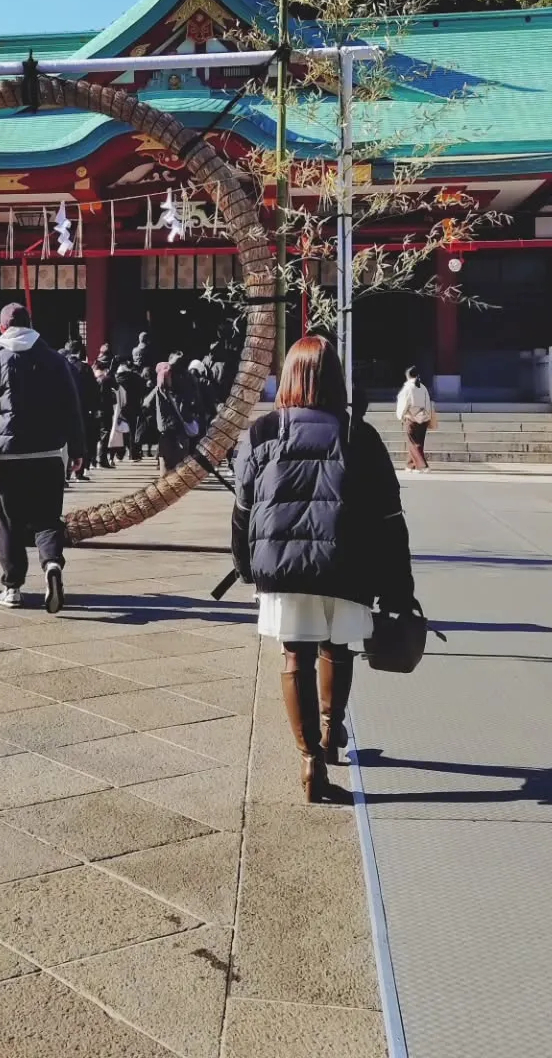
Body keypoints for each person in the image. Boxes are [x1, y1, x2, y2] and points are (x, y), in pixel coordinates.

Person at [232, 336, 414, 801]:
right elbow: (389, 517)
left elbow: (242, 509)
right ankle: (332, 733)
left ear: (288, 377)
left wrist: (246, 567)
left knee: (296, 655)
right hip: (348, 562)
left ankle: (309, 759)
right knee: (338, 646)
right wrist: (399, 586)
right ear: (336, 380)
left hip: (281, 564)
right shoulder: (360, 435)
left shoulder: (262, 432)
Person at [0, 303, 86, 613]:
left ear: (2, 328)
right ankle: (52, 564)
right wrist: (77, 451)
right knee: (48, 518)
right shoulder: (55, 360)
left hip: (10, 458)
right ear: (31, 324)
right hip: (48, 454)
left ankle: (12, 588)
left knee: (9, 523)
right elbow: (71, 409)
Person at [144, 360, 193, 472]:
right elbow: (146, 405)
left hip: (169, 428)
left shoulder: (169, 389)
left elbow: (146, 405)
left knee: (171, 459)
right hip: (170, 428)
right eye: (168, 374)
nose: (170, 376)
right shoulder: (162, 390)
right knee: (170, 459)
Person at [64, 342, 102, 480]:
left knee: (66, 440)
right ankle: (79, 472)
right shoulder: (84, 368)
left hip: (64, 408)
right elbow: (93, 390)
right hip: (83, 409)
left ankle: (66, 472)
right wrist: (96, 407)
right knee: (82, 438)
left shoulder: (62, 365)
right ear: (80, 352)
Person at [395, 366, 433, 471]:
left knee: (413, 443)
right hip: (423, 417)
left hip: (412, 418)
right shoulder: (423, 387)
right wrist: (427, 416)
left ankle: (422, 466)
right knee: (419, 442)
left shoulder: (408, 388)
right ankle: (410, 465)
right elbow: (428, 403)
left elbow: (404, 403)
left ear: (408, 376)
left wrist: (401, 415)